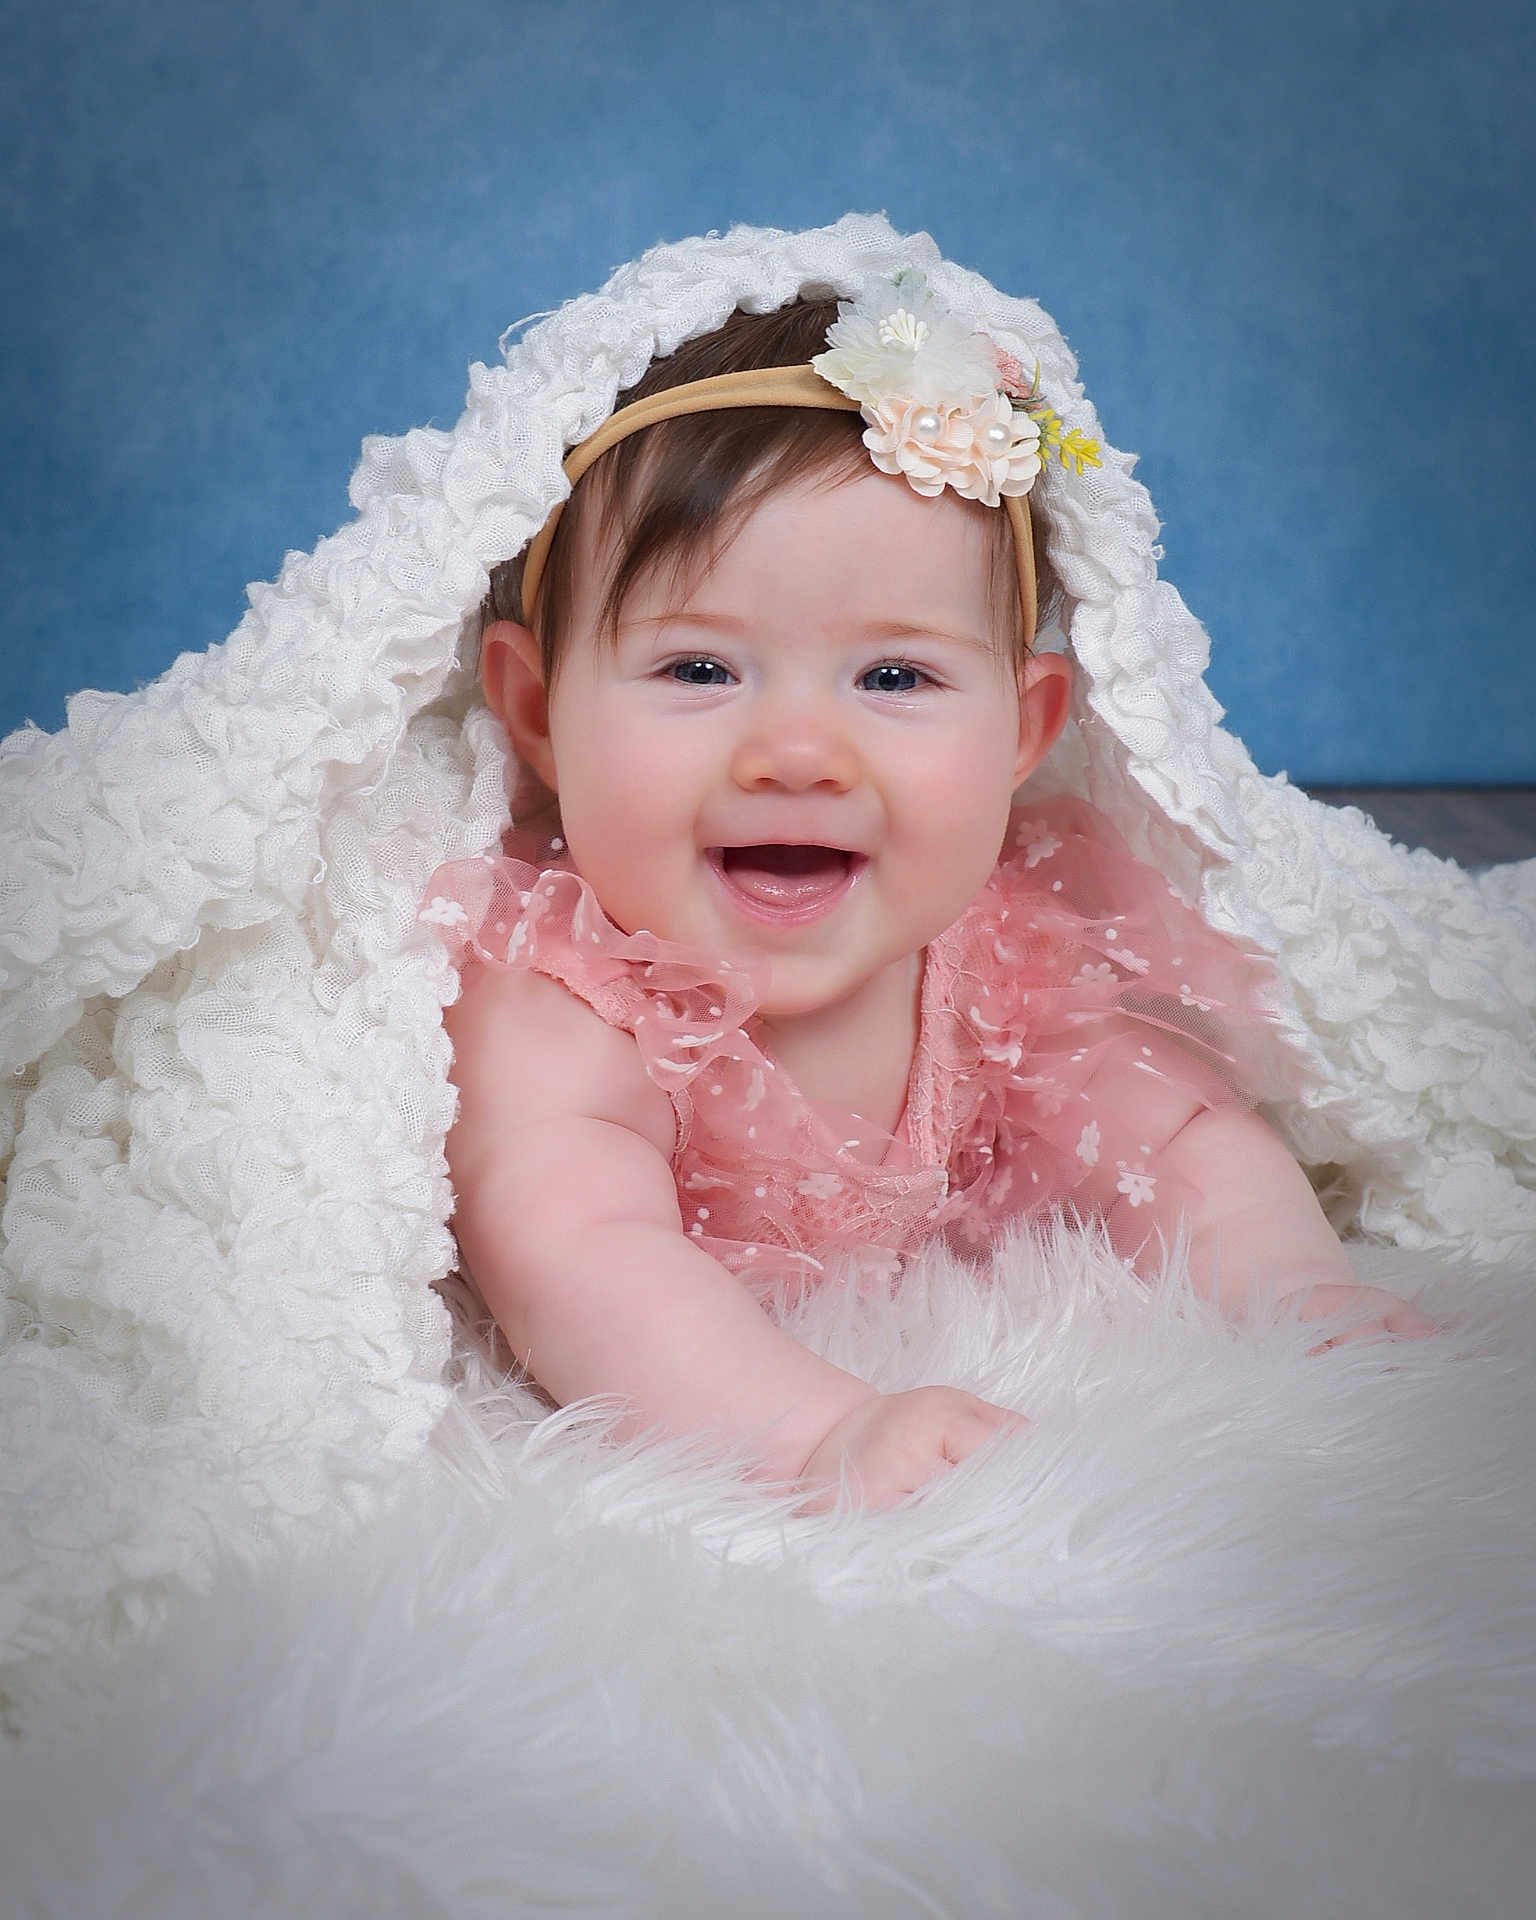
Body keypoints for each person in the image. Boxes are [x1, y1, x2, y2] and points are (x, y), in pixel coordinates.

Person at [421, 265, 1435, 1512]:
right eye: (699, 667)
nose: (796, 753)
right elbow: (576, 1254)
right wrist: (815, 1436)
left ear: (1025, 727)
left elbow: (1179, 1138)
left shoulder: (1000, 947)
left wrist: (1296, 1292)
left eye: (894, 679)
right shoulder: (560, 993)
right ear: (534, 710)